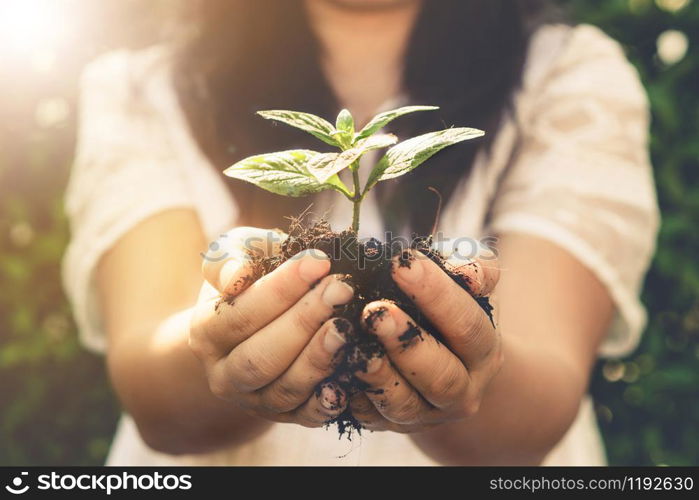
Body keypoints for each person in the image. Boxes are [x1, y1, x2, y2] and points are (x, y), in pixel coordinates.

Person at [63, 0, 659, 465]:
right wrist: (222, 333)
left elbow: (537, 407)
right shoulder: (141, 89)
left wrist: (465, 351)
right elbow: (155, 397)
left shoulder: (567, 75)